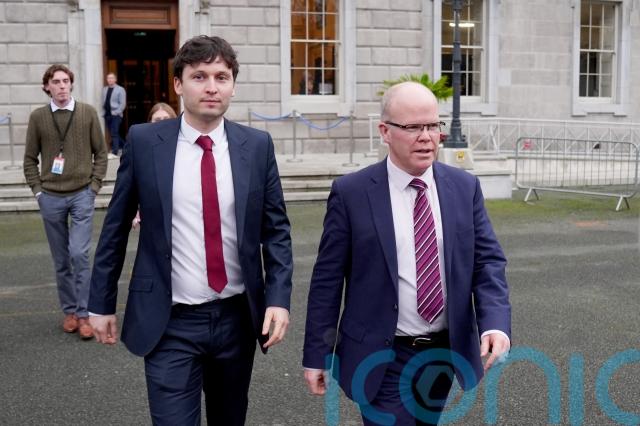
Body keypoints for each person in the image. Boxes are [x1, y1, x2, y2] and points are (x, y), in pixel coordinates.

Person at [88, 35, 293, 425]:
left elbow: (276, 231)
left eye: (221, 77)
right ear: (178, 84)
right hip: (169, 322)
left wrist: (279, 299)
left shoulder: (257, 146)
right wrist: (100, 303)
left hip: (236, 319)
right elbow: (115, 227)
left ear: (233, 85)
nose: (212, 87)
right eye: (199, 76)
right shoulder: (145, 142)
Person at [302, 82, 511, 425]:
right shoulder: (352, 193)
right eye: (413, 127)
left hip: (442, 353)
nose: (426, 137)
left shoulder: (464, 187)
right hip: (380, 355)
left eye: (433, 125)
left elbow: (487, 262)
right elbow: (327, 280)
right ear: (385, 131)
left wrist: (496, 325)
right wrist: (317, 354)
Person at [23, 64, 108, 340]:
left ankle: (84, 314)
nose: (61, 86)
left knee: (79, 255)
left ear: (71, 84)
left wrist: (94, 187)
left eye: (65, 81)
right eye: (56, 82)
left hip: (82, 193)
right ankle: (70, 311)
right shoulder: (38, 117)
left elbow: (101, 153)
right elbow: (29, 159)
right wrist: (38, 192)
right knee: (61, 260)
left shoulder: (87, 113)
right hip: (50, 196)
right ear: (47, 86)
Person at [131, 102, 178, 229]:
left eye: (166, 119)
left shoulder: (183, 146)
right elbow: (135, 186)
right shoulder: (142, 150)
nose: (162, 123)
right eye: (157, 120)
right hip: (153, 217)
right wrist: (137, 212)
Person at [101, 72, 126, 159]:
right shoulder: (104, 89)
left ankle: (115, 152)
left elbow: (122, 104)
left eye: (112, 78)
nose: (110, 80)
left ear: (115, 79)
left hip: (116, 115)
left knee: (114, 133)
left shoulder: (120, 89)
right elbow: (103, 101)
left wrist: (116, 112)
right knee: (113, 133)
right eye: (108, 78)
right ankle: (126, 146)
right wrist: (103, 112)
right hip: (107, 114)